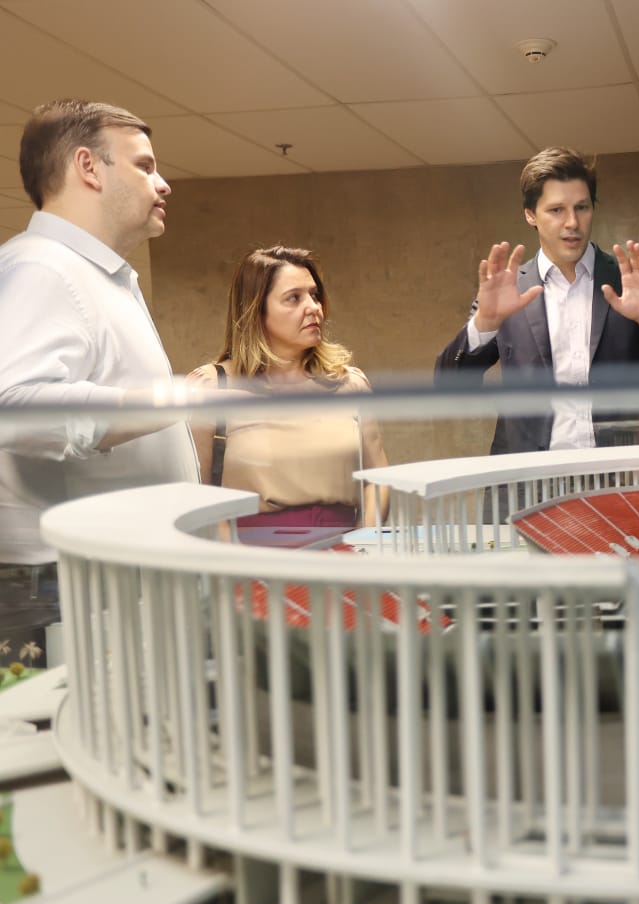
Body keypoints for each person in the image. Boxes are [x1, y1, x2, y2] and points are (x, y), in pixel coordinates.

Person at [0, 100, 198, 643]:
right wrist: (175, 399)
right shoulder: (43, 267)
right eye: (144, 165)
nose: (163, 183)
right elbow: (14, 407)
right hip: (65, 587)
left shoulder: (91, 274)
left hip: (101, 577)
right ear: (88, 167)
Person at [434, 146, 639, 454]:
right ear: (530, 215)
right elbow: (446, 387)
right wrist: (483, 326)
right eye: (556, 210)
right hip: (529, 476)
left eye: (582, 207)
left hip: (621, 472)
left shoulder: (629, 279)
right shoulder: (508, 289)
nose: (572, 223)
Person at [187, 246, 388, 537]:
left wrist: (362, 542)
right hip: (251, 555)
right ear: (256, 311)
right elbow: (198, 494)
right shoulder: (211, 388)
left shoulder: (349, 384)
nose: (314, 307)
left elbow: (377, 481)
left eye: (314, 295)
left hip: (344, 551)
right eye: (294, 298)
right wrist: (233, 560)